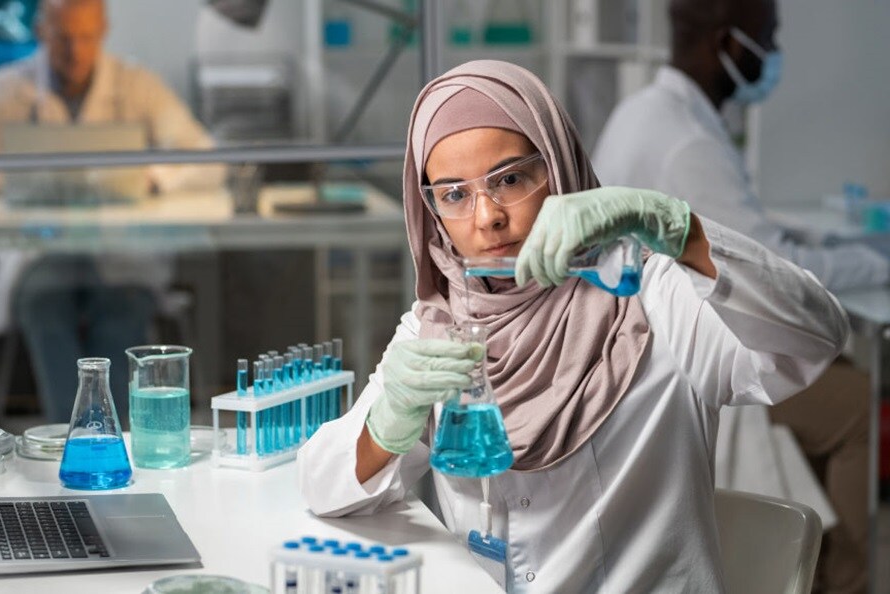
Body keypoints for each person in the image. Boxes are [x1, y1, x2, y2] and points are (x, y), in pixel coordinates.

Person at [297, 59, 848, 592]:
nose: (486, 215)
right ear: (431, 212)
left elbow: (813, 337)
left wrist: (682, 232)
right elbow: (324, 487)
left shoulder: (652, 296)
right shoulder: (438, 328)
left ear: (557, 167)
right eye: (455, 194)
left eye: (509, 178)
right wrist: (388, 421)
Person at [591, 1, 870, 590]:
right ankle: (846, 576)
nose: (773, 56)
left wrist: (819, 238)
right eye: (768, 40)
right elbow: (781, 275)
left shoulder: (643, 111)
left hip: (633, 342)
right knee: (855, 396)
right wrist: (870, 258)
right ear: (730, 43)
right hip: (688, 358)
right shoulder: (689, 141)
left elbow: (749, 238)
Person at [0, 0, 225, 422]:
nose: (75, 50)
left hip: (120, 253)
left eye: (86, 37)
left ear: (103, 30)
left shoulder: (137, 85)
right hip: (42, 252)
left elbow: (207, 159)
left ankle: (116, 437)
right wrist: (12, 180)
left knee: (122, 311)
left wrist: (153, 178)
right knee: (44, 305)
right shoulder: (7, 90)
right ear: (41, 31)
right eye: (63, 37)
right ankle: (72, 436)